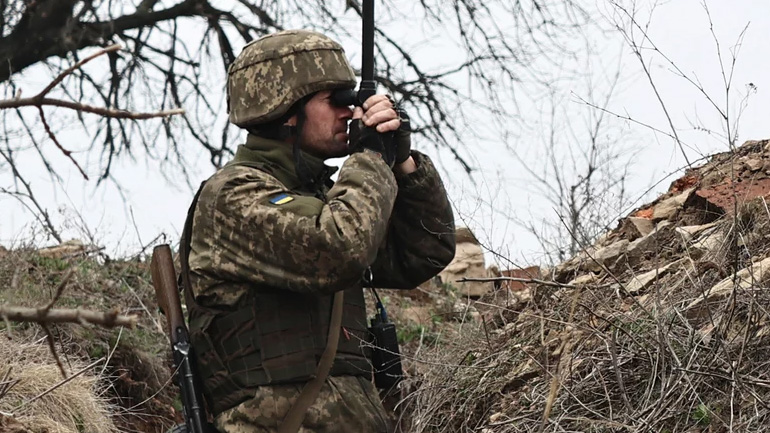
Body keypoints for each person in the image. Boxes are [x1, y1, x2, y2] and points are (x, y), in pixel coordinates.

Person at [183, 29, 456, 433]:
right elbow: (337, 250)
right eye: (337, 101)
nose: (352, 112)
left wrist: (401, 162)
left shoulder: (330, 198)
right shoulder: (232, 196)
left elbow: (424, 251)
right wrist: (368, 158)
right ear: (286, 111)